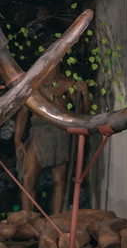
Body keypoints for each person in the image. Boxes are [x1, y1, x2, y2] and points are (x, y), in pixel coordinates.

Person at [15, 68, 91, 214]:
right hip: (39, 132)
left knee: (59, 180)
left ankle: (55, 221)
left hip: (60, 133)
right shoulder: (33, 84)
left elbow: (82, 112)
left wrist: (85, 94)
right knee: (28, 177)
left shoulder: (67, 84)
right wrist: (18, 140)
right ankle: (28, 217)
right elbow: (23, 113)